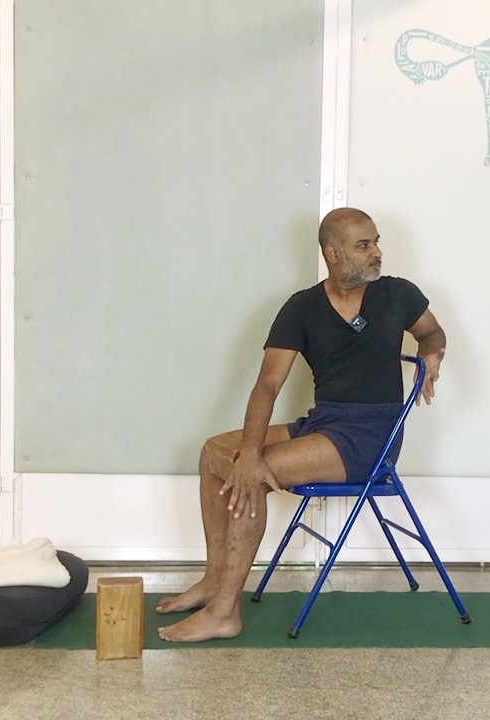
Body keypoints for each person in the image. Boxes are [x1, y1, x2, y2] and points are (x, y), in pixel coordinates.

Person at [155, 207, 447, 642]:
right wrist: (248, 452)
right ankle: (215, 580)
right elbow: (268, 384)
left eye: (376, 242)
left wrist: (430, 354)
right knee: (216, 452)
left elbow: (433, 332)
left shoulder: (398, 294)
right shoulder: (302, 307)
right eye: (364, 245)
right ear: (333, 253)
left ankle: (225, 613)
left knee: (255, 473)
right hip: (325, 422)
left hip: (373, 436)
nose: (377, 252)